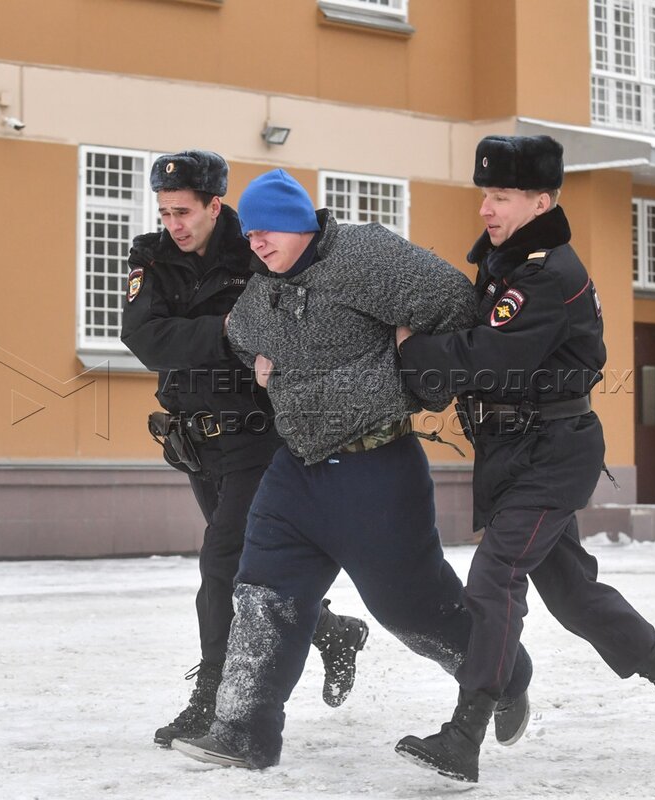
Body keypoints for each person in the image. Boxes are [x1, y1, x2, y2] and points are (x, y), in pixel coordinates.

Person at [169, 168, 533, 771]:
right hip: (297, 468)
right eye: (251, 233)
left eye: (268, 230)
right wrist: (260, 358)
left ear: (300, 222)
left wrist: (410, 346)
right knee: (261, 593)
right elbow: (239, 332)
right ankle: (244, 731)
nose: (257, 243)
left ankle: (505, 672)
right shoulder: (267, 287)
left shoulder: (365, 254)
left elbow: (456, 302)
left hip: (376, 467)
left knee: (410, 608)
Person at [393, 135, 655, 783]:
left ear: (542, 200)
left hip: (552, 453)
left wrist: (412, 346)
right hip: (517, 451)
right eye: (485, 194)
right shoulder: (509, 266)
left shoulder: (548, 273)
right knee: (574, 596)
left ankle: (465, 734)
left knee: (494, 578)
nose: (487, 208)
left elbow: (494, 357)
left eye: (503, 197)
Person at [120, 151, 369, 749]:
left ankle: (212, 700)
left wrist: (238, 335)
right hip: (197, 440)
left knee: (222, 563)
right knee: (247, 572)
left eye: (183, 212)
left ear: (214, 204)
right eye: (165, 212)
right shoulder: (149, 256)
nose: (173, 224)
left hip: (258, 437)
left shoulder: (255, 250)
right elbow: (145, 338)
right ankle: (332, 630)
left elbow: (287, 326)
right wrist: (232, 331)